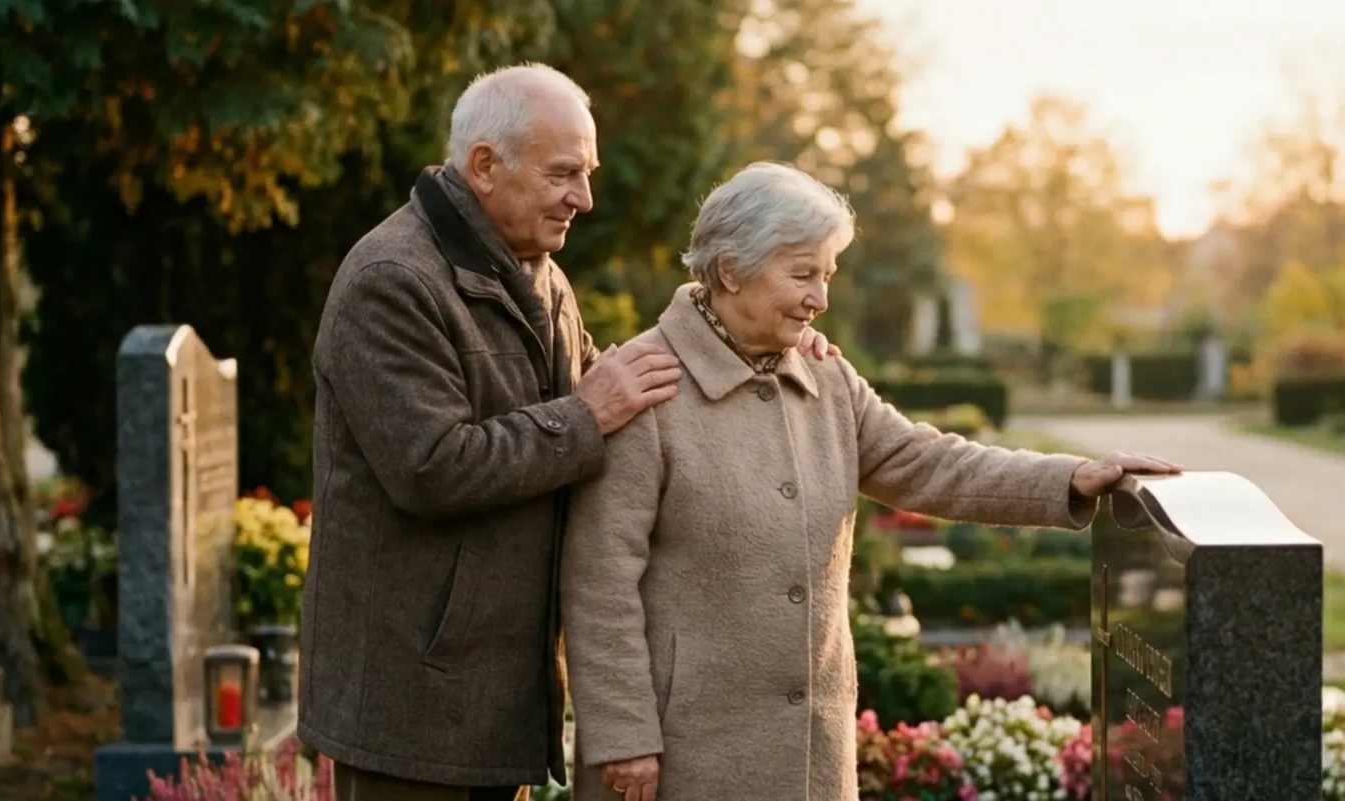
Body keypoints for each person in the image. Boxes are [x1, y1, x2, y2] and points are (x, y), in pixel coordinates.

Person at [559, 162, 1181, 801]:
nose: (820, 298)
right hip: (680, 757)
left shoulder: (826, 378)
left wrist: (1072, 477)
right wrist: (624, 737)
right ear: (729, 270)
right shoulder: (643, 387)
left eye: (827, 275)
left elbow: (933, 464)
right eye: (802, 274)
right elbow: (599, 581)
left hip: (812, 755)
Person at [302, 66, 835, 801]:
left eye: (586, 174)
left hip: (493, 698)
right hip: (413, 709)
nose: (584, 198)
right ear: (485, 166)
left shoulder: (540, 273)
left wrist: (770, 337)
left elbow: (622, 392)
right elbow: (431, 468)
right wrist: (583, 416)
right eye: (564, 174)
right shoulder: (391, 280)